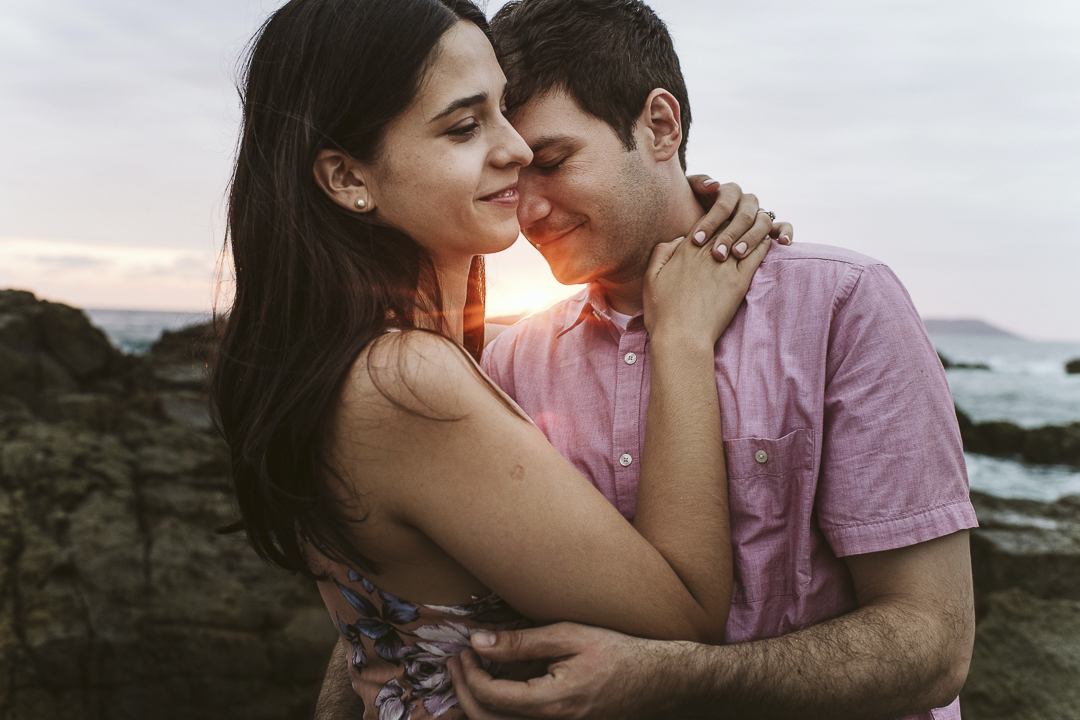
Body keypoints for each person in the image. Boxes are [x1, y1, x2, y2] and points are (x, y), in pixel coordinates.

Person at [212, 0, 785, 718]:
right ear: (348, 178)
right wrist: (681, 336)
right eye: (464, 126)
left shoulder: (361, 360)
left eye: (504, 112)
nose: (515, 148)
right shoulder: (405, 383)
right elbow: (688, 616)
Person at [424, 1, 974, 718]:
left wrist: (673, 678)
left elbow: (933, 642)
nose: (526, 210)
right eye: (510, 174)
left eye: (553, 163)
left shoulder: (842, 305)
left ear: (660, 126)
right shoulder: (509, 364)